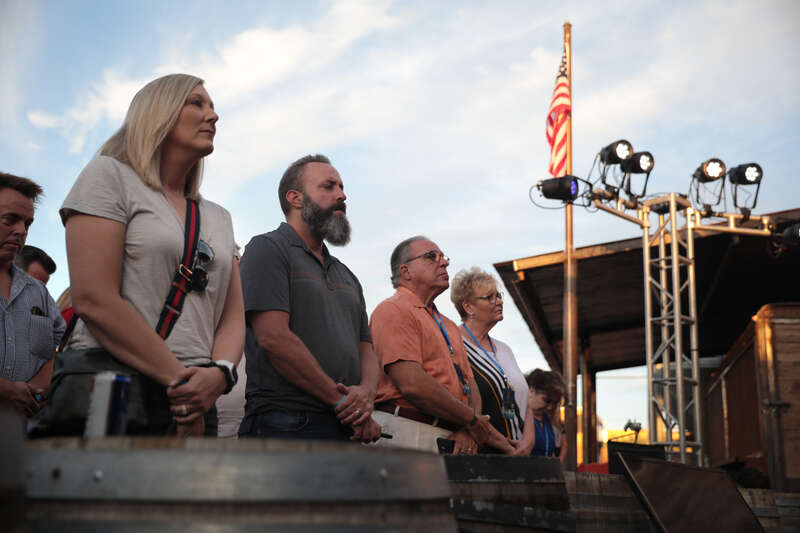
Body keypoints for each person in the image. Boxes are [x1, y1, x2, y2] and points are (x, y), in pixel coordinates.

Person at [60, 73, 244, 436]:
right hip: (115, 385)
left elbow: (232, 315)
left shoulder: (220, 217)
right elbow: (94, 298)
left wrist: (219, 374)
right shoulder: (108, 176)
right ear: (158, 112)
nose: (214, 115)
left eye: (213, 106)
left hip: (197, 397)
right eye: (197, 103)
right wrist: (184, 386)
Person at [237, 154, 380, 442]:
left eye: (341, 187)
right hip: (285, 423)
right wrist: (342, 403)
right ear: (296, 198)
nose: (342, 195)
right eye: (328, 187)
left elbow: (367, 350)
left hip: (346, 427)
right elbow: (274, 338)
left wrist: (365, 397)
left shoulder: (346, 274)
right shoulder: (267, 249)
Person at [370, 236, 513, 454]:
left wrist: (468, 428)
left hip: (451, 436)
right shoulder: (393, 310)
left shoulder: (448, 325)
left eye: (443, 257)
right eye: (431, 257)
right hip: (408, 431)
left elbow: (470, 386)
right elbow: (411, 383)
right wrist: (472, 420)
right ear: (405, 271)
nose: (444, 262)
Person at [0, 173, 66, 418]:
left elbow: (52, 348)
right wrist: (6, 390)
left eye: (27, 223)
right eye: (11, 220)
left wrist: (33, 393)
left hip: (18, 432)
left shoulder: (38, 291)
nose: (21, 231)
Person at [450, 267, 533, 455]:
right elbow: (466, 406)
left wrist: (527, 441)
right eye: (490, 297)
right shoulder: (454, 344)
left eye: (499, 295)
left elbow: (526, 403)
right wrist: (505, 445)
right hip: (484, 454)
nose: (499, 301)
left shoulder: (504, 349)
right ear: (468, 307)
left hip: (520, 453)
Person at [526, 369, 566, 460]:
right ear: (532, 391)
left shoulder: (546, 419)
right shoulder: (520, 416)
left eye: (555, 403)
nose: (550, 407)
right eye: (546, 401)